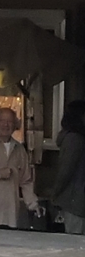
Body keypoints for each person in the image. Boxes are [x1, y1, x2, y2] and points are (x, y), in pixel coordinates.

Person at [53, 100, 85, 235]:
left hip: (72, 201)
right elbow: (65, 171)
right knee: (75, 240)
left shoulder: (72, 139)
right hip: (74, 202)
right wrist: (55, 194)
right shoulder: (75, 139)